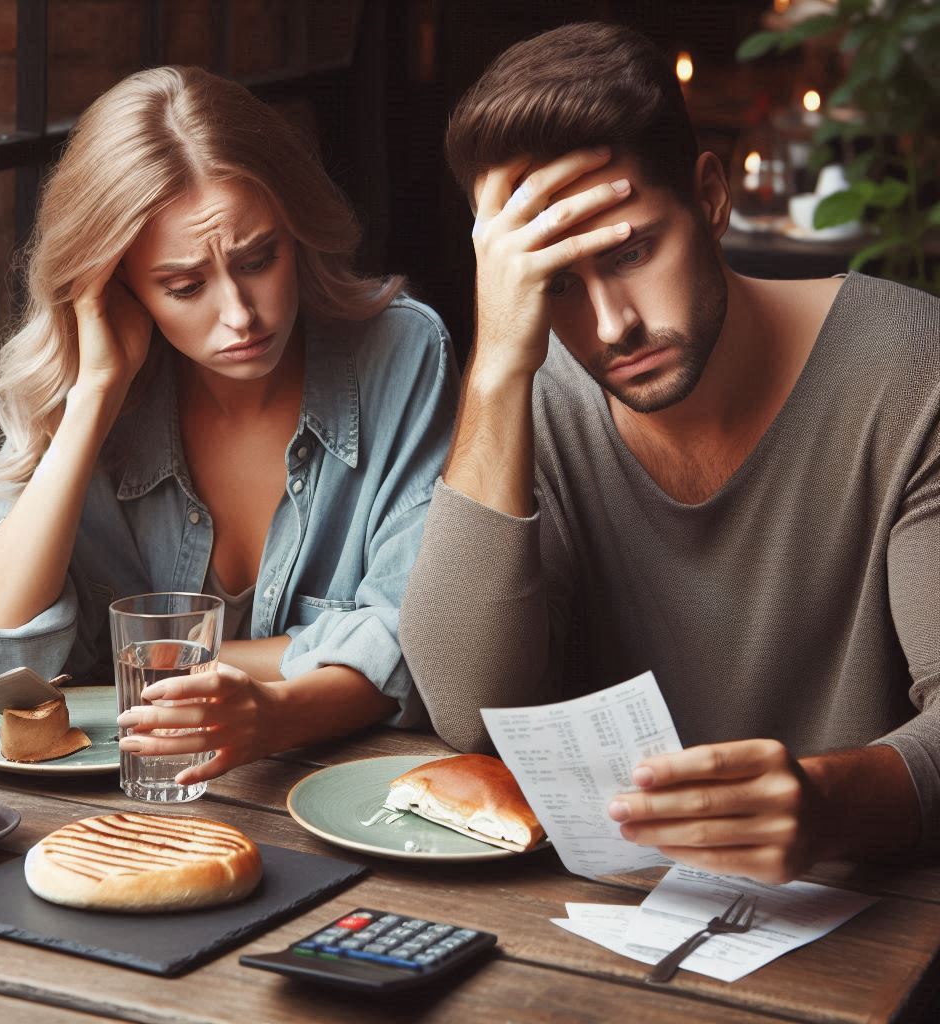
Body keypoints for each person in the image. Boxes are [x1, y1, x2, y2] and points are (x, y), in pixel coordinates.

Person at [400, 22, 940, 882]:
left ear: (711, 198)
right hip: (605, 934)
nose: (613, 326)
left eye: (633, 252)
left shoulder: (910, 370)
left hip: (873, 932)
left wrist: (824, 801)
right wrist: (499, 366)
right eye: (558, 284)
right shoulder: (532, 396)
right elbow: (468, 711)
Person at [0, 66, 457, 785]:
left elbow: (426, 640)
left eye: (259, 259)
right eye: (184, 287)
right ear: (115, 284)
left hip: (340, 790)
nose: (241, 316)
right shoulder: (99, 386)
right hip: (114, 806)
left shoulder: (399, 354)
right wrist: (93, 397)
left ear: (297, 233)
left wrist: (258, 705)